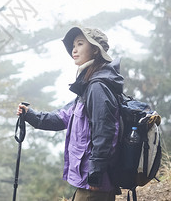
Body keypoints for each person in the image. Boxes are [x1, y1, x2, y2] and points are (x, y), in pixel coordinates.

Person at [17, 26, 123, 201]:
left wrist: (96, 171)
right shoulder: (87, 86)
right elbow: (62, 118)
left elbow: (106, 131)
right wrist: (30, 115)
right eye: (73, 45)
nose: (74, 49)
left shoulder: (97, 87)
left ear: (95, 50)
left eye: (80, 44)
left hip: (94, 184)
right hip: (90, 182)